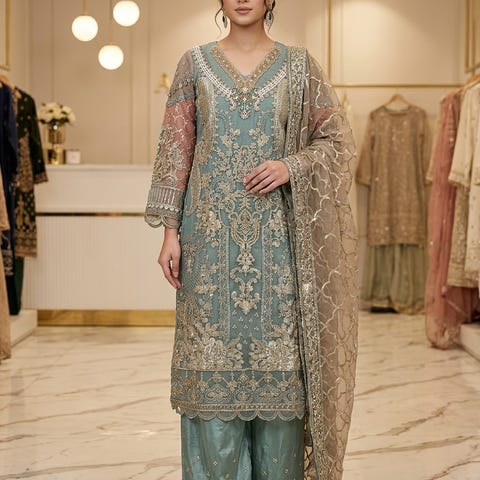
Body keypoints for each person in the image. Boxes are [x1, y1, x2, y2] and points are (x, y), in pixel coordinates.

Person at [145, 1, 358, 478]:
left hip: (280, 248)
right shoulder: (194, 63)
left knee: (281, 379)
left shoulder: (300, 66)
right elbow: (175, 149)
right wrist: (170, 233)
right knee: (209, 374)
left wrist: (290, 165)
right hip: (208, 246)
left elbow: (337, 142)